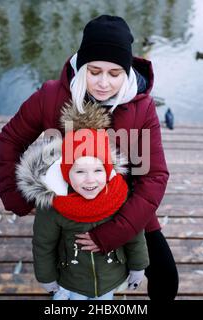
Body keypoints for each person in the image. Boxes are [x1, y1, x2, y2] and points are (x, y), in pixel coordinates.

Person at [0, 14, 179, 300]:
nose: (103, 83)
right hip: (66, 209)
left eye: (114, 73)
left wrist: (116, 232)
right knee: (66, 278)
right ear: (82, 67)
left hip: (122, 204)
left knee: (167, 278)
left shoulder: (141, 108)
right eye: (94, 71)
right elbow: (10, 139)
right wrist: (15, 196)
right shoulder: (51, 96)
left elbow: (154, 175)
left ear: (127, 72)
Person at [15, 101, 148, 300]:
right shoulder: (55, 205)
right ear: (67, 174)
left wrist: (138, 266)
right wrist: (47, 277)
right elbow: (44, 244)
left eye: (97, 170)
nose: (90, 180)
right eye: (80, 171)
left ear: (108, 170)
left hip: (110, 276)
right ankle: (62, 293)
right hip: (72, 277)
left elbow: (134, 234)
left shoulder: (119, 195)